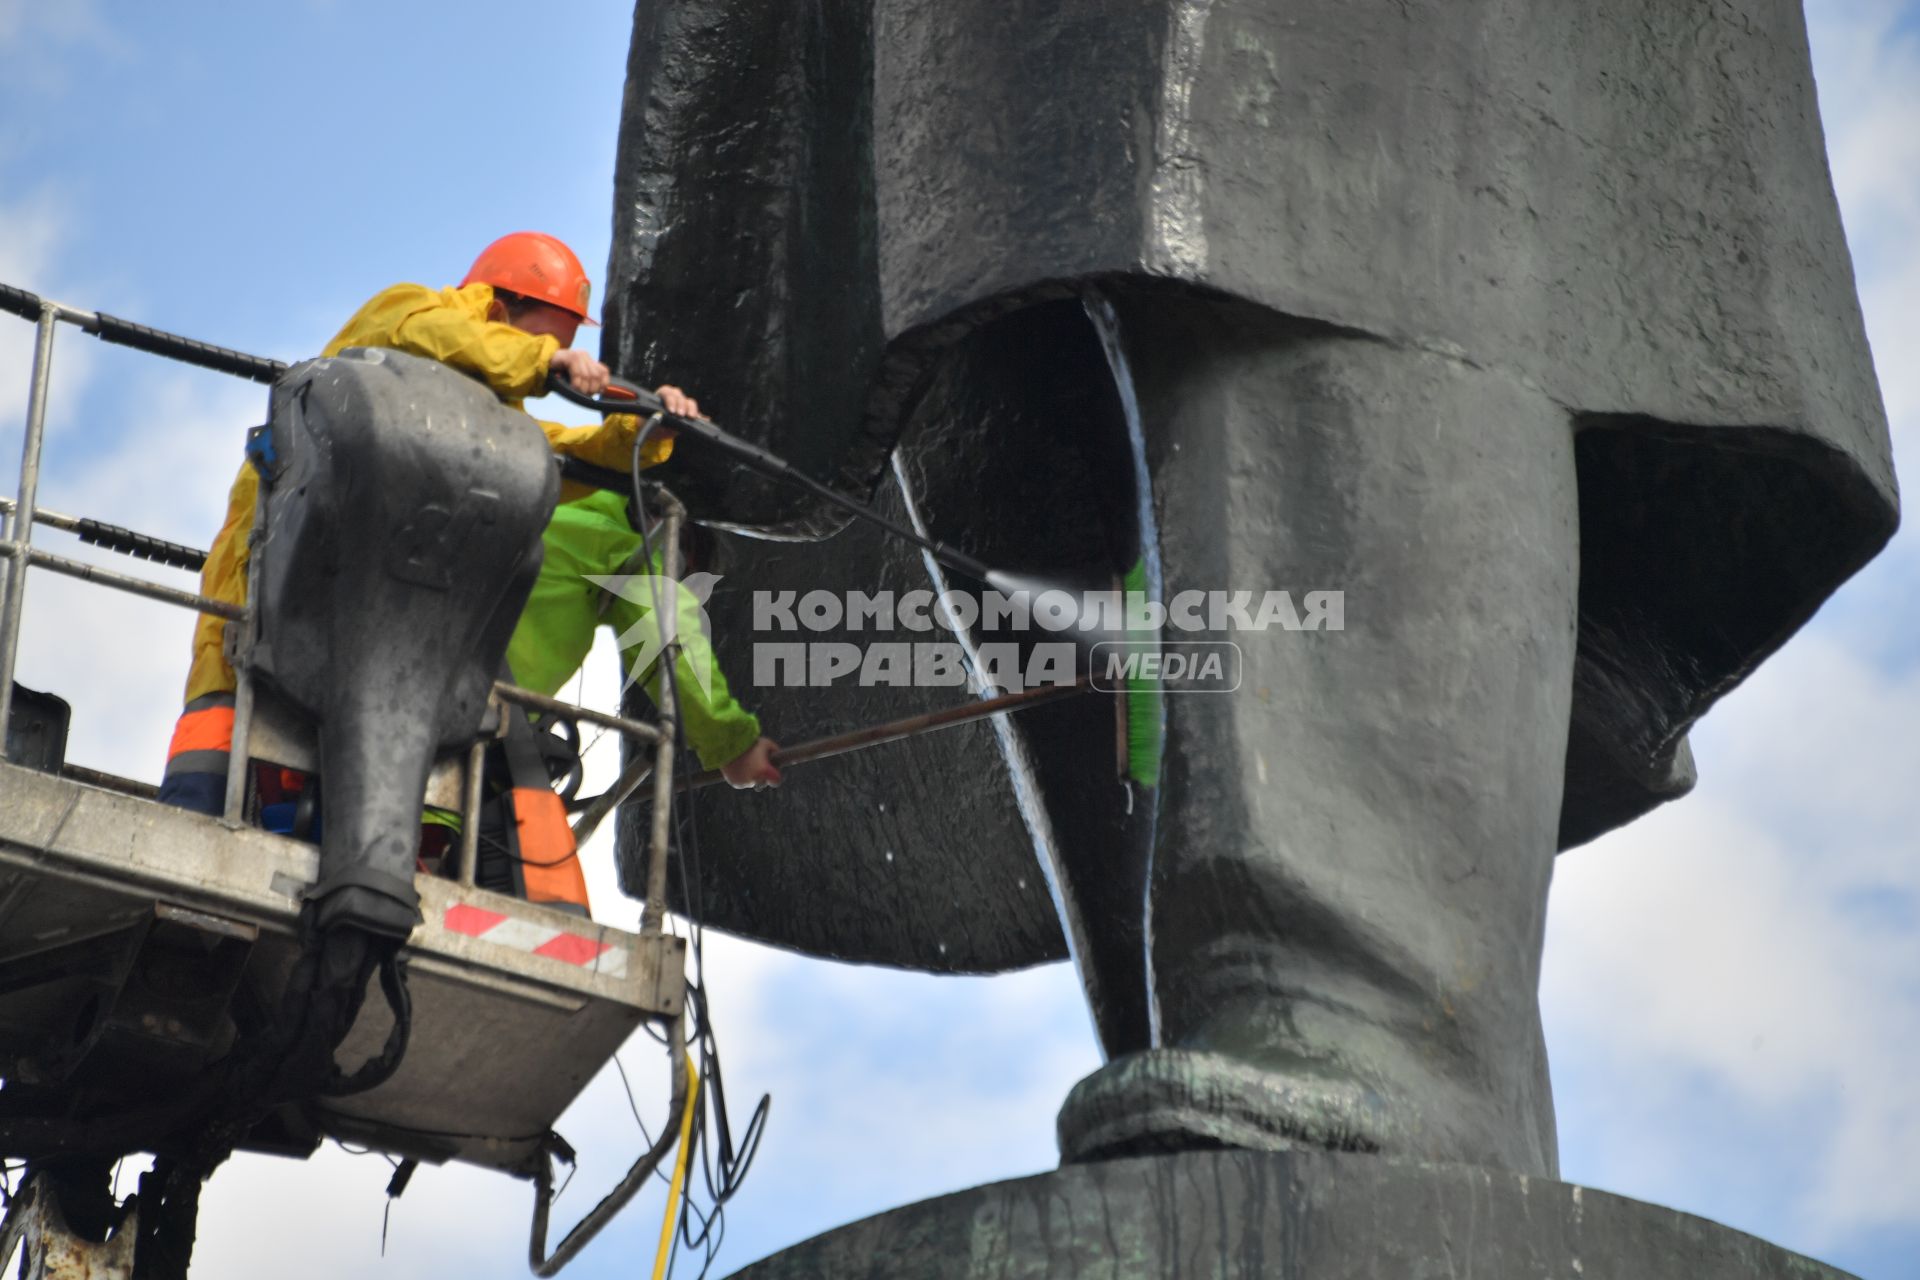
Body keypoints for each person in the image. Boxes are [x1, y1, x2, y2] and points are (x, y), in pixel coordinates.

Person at [158, 231, 764, 822]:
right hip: (259, 597)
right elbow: (430, 336)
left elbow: (555, 455)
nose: (550, 366)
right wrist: (540, 360)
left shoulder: (490, 420)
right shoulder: (408, 312)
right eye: (545, 342)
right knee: (204, 793)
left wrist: (641, 432)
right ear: (498, 309)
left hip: (366, 646)